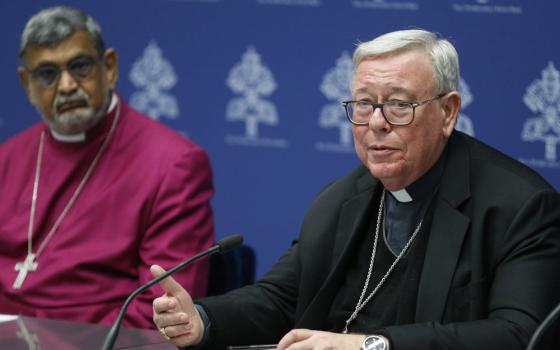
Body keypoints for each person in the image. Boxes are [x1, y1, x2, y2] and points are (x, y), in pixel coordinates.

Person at [151, 29, 560, 349]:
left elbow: (518, 335)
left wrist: (368, 345)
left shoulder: (520, 206)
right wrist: (202, 319)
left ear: (448, 112)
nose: (376, 123)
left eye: (399, 104)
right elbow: (281, 298)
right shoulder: (341, 199)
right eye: (363, 104)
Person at [0, 6, 215, 329]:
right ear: (26, 84)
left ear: (110, 67)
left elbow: (162, 314)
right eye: (48, 74)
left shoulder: (174, 166)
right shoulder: (6, 158)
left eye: (80, 67)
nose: (67, 85)